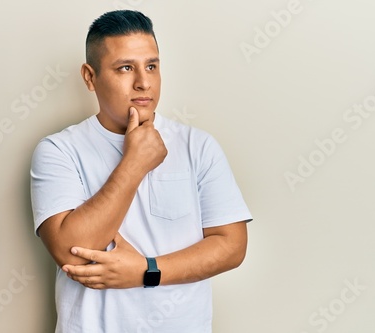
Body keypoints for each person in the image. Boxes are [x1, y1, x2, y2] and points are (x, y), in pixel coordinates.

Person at [30, 10, 253, 333]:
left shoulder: (198, 146)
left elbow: (232, 246)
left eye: (152, 66)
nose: (143, 82)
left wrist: (146, 271)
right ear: (90, 77)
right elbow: (70, 254)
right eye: (125, 68)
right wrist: (134, 164)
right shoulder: (58, 151)